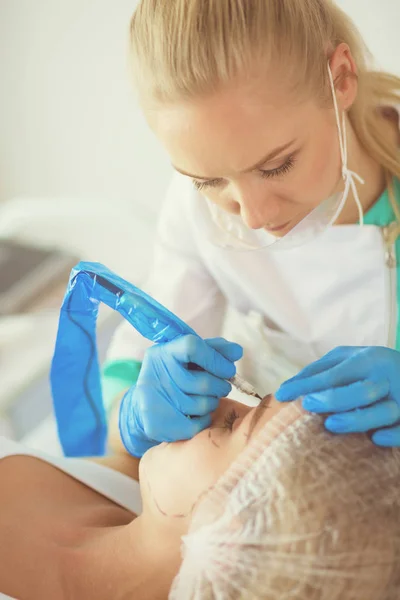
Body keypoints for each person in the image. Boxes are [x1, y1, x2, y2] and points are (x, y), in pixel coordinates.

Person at [101, 0, 400, 457]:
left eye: (277, 166)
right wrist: (132, 415)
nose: (254, 216)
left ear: (340, 79)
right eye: (209, 180)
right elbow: (128, 374)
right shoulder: (193, 207)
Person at [1, 396, 400, 599]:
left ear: (235, 534)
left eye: (236, 422)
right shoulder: (134, 513)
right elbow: (115, 463)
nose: (218, 402)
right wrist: (127, 427)